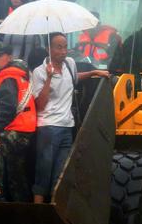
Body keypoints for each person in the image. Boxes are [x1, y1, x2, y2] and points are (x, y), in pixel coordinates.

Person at [31, 33, 111, 203]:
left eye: (65, 46)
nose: (63, 51)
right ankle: (37, 209)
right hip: (48, 127)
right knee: (43, 171)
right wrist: (49, 78)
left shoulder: (70, 64)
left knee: (61, 172)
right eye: (58, 47)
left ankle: (55, 208)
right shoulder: (39, 72)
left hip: (67, 126)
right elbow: (40, 104)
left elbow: (75, 79)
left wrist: (94, 72)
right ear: (49, 49)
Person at [0, 41, 36, 202]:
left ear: (9, 57)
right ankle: (22, 203)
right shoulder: (20, 74)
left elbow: (7, 107)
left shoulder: (8, 77)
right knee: (15, 169)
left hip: (18, 129)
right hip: (26, 128)